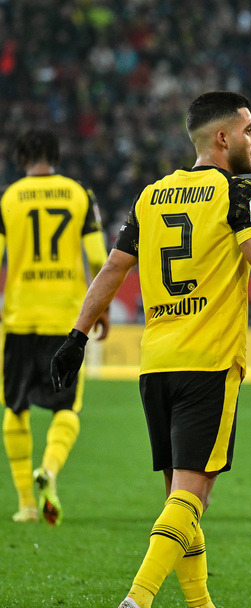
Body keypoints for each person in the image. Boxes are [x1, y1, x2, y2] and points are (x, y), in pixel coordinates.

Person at [50, 91, 251, 608]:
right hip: (208, 362)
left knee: (180, 496)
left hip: (156, 363)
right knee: (193, 495)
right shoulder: (239, 190)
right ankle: (138, 599)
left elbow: (113, 267)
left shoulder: (153, 194)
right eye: (250, 129)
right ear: (222, 138)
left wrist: (77, 334)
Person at [0, 129, 109, 525]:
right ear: (56, 154)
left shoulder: (8, 198)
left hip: (19, 318)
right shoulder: (79, 195)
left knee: (15, 408)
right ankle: (49, 468)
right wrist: (102, 309)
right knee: (67, 407)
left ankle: (27, 504)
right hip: (65, 318)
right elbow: (99, 258)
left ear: (21, 157)